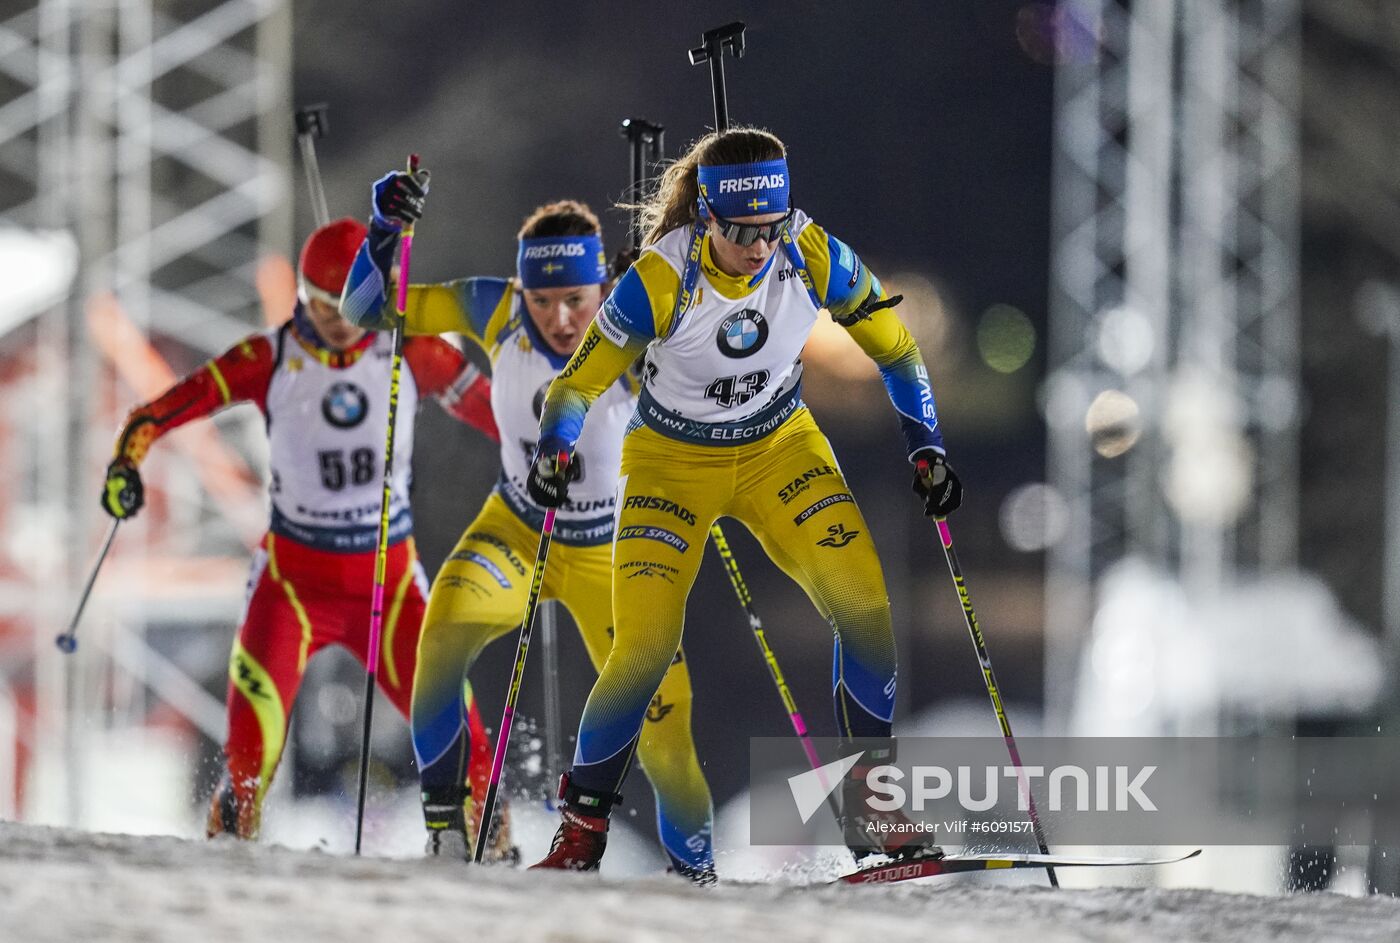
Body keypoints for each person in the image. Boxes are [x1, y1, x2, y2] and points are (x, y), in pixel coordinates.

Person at [524, 127, 964, 873]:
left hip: (778, 450)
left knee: (864, 605)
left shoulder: (810, 248)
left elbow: (896, 347)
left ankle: (874, 811)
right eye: (740, 231)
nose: (760, 247)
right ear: (707, 216)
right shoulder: (662, 279)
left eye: (771, 227)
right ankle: (579, 835)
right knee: (643, 651)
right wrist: (555, 451)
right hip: (671, 464)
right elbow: (577, 384)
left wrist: (927, 444)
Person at [340, 174, 717, 880]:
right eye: (542, 302)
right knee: (442, 636)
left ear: (601, 287)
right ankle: (447, 825)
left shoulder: (638, 318)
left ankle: (696, 873)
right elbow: (366, 308)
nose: (561, 319)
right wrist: (384, 232)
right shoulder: (494, 307)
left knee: (667, 732)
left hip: (615, 551)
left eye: (575, 300)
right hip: (517, 528)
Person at [100, 218, 500, 841]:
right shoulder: (270, 355)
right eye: (324, 308)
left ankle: (484, 843)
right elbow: (161, 410)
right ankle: (231, 863)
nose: (342, 324)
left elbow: (497, 412)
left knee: (465, 742)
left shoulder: (412, 349)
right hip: (292, 584)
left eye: (354, 309)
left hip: (386, 585)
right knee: (247, 762)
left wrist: (552, 453)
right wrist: (126, 462)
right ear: (303, 300)